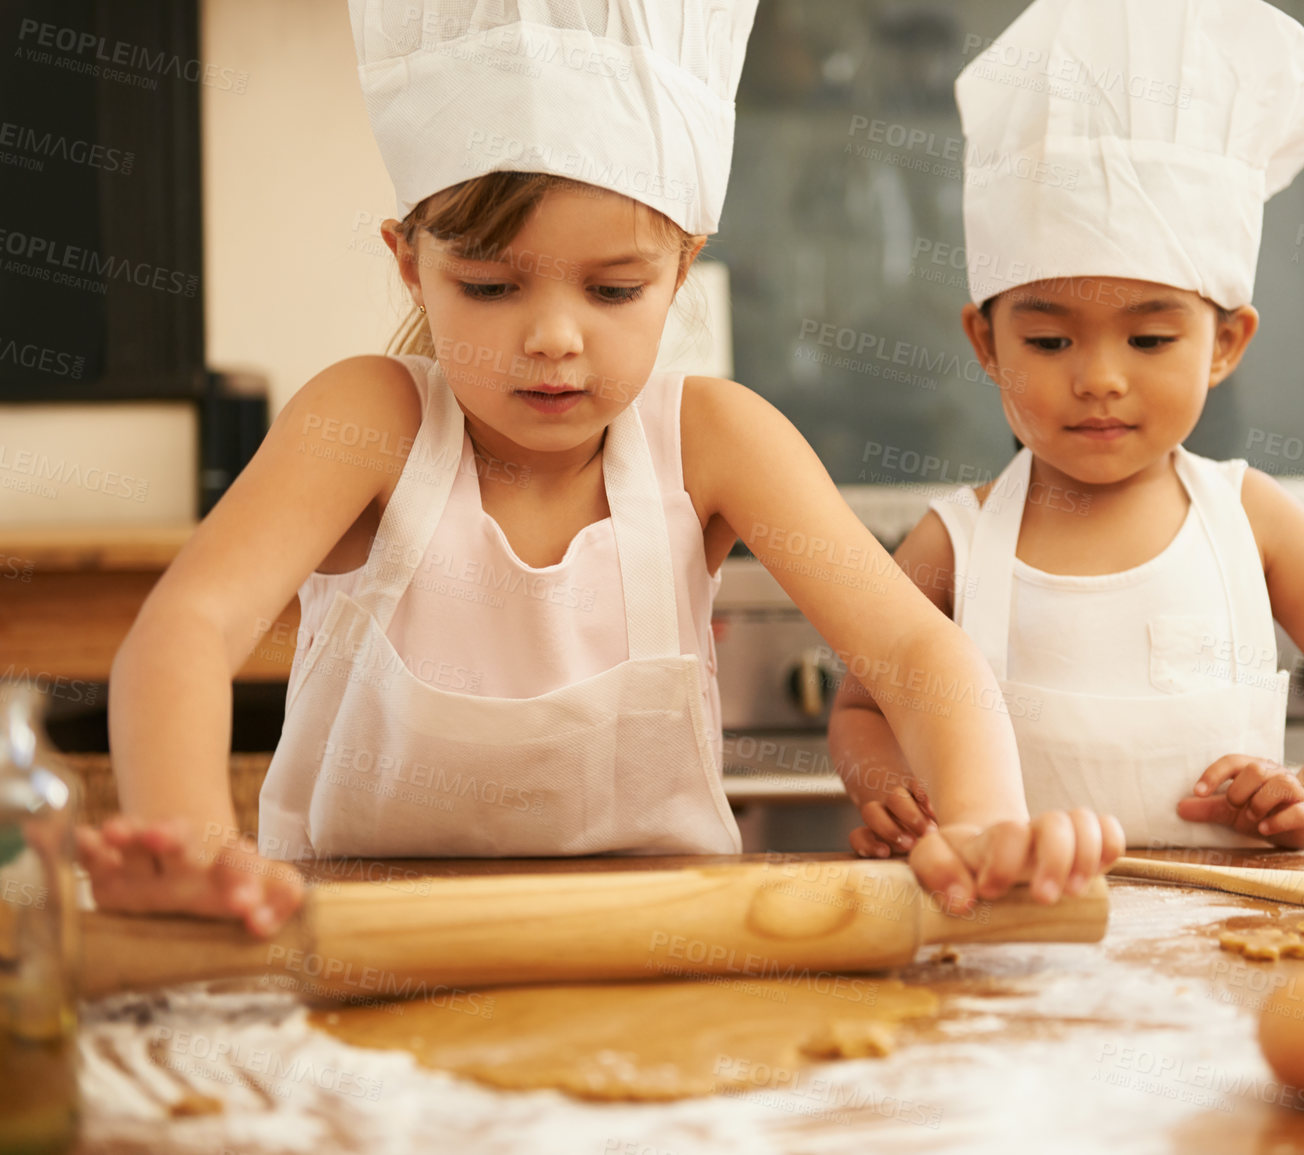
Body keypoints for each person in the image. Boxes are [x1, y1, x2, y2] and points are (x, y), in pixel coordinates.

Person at [77, 0, 1123, 938]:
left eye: (615, 290)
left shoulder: (712, 438)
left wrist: (985, 821)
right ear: (411, 263)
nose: (552, 339)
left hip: (664, 957)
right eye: (489, 287)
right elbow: (187, 629)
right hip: (363, 957)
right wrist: (193, 848)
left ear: (683, 268)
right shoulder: (373, 422)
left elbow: (912, 651)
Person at [832, 0, 1304, 857]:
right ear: (985, 343)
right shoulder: (952, 542)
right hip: (1012, 942)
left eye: (1150, 338)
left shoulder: (1249, 520)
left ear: (1224, 343)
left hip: (1224, 944)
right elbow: (860, 708)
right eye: (1047, 339)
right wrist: (887, 782)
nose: (1100, 378)